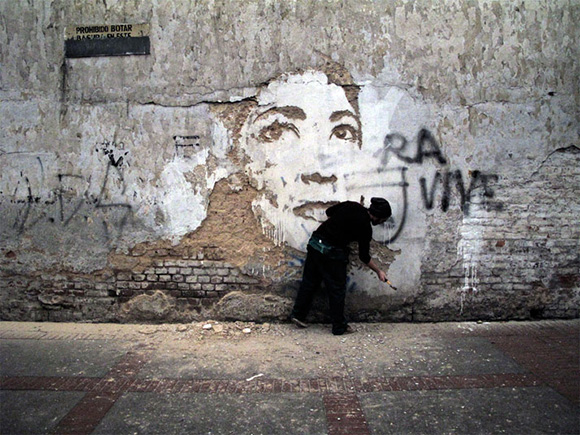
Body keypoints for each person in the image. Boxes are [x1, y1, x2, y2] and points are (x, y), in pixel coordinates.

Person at [290, 197, 392, 335]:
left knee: (309, 283)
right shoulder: (365, 228)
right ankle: (339, 326)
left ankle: (298, 315)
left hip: (315, 245)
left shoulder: (352, 206)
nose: (382, 222)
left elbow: (329, 212)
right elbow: (364, 256)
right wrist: (379, 271)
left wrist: (337, 225)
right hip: (332, 254)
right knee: (336, 290)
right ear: (378, 217)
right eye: (383, 220)